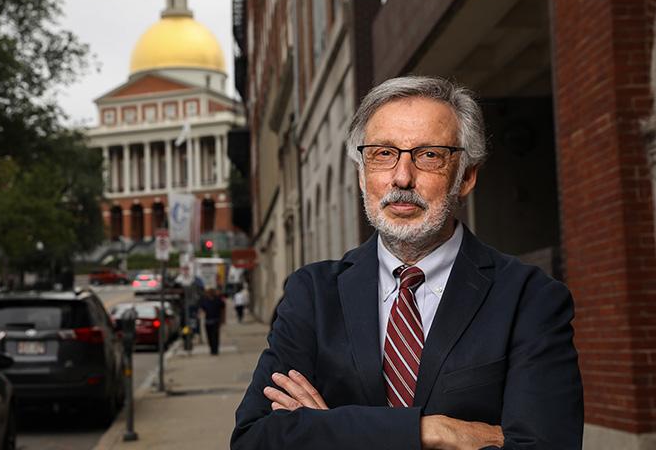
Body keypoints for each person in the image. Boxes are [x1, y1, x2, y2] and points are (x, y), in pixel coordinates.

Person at [231, 76, 584, 449]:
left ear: (466, 176)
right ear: (362, 175)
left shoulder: (531, 299)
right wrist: (434, 431)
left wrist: (332, 428)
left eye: (429, 155)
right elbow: (255, 439)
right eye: (382, 154)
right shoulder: (313, 296)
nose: (402, 177)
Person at [198, 285, 225, 355]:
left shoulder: (217, 299)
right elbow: (202, 308)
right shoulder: (205, 300)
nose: (209, 293)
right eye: (208, 292)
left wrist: (223, 319)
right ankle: (212, 349)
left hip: (216, 320)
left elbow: (222, 308)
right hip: (208, 321)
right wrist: (199, 314)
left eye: (210, 292)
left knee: (215, 335)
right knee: (209, 336)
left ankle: (215, 349)